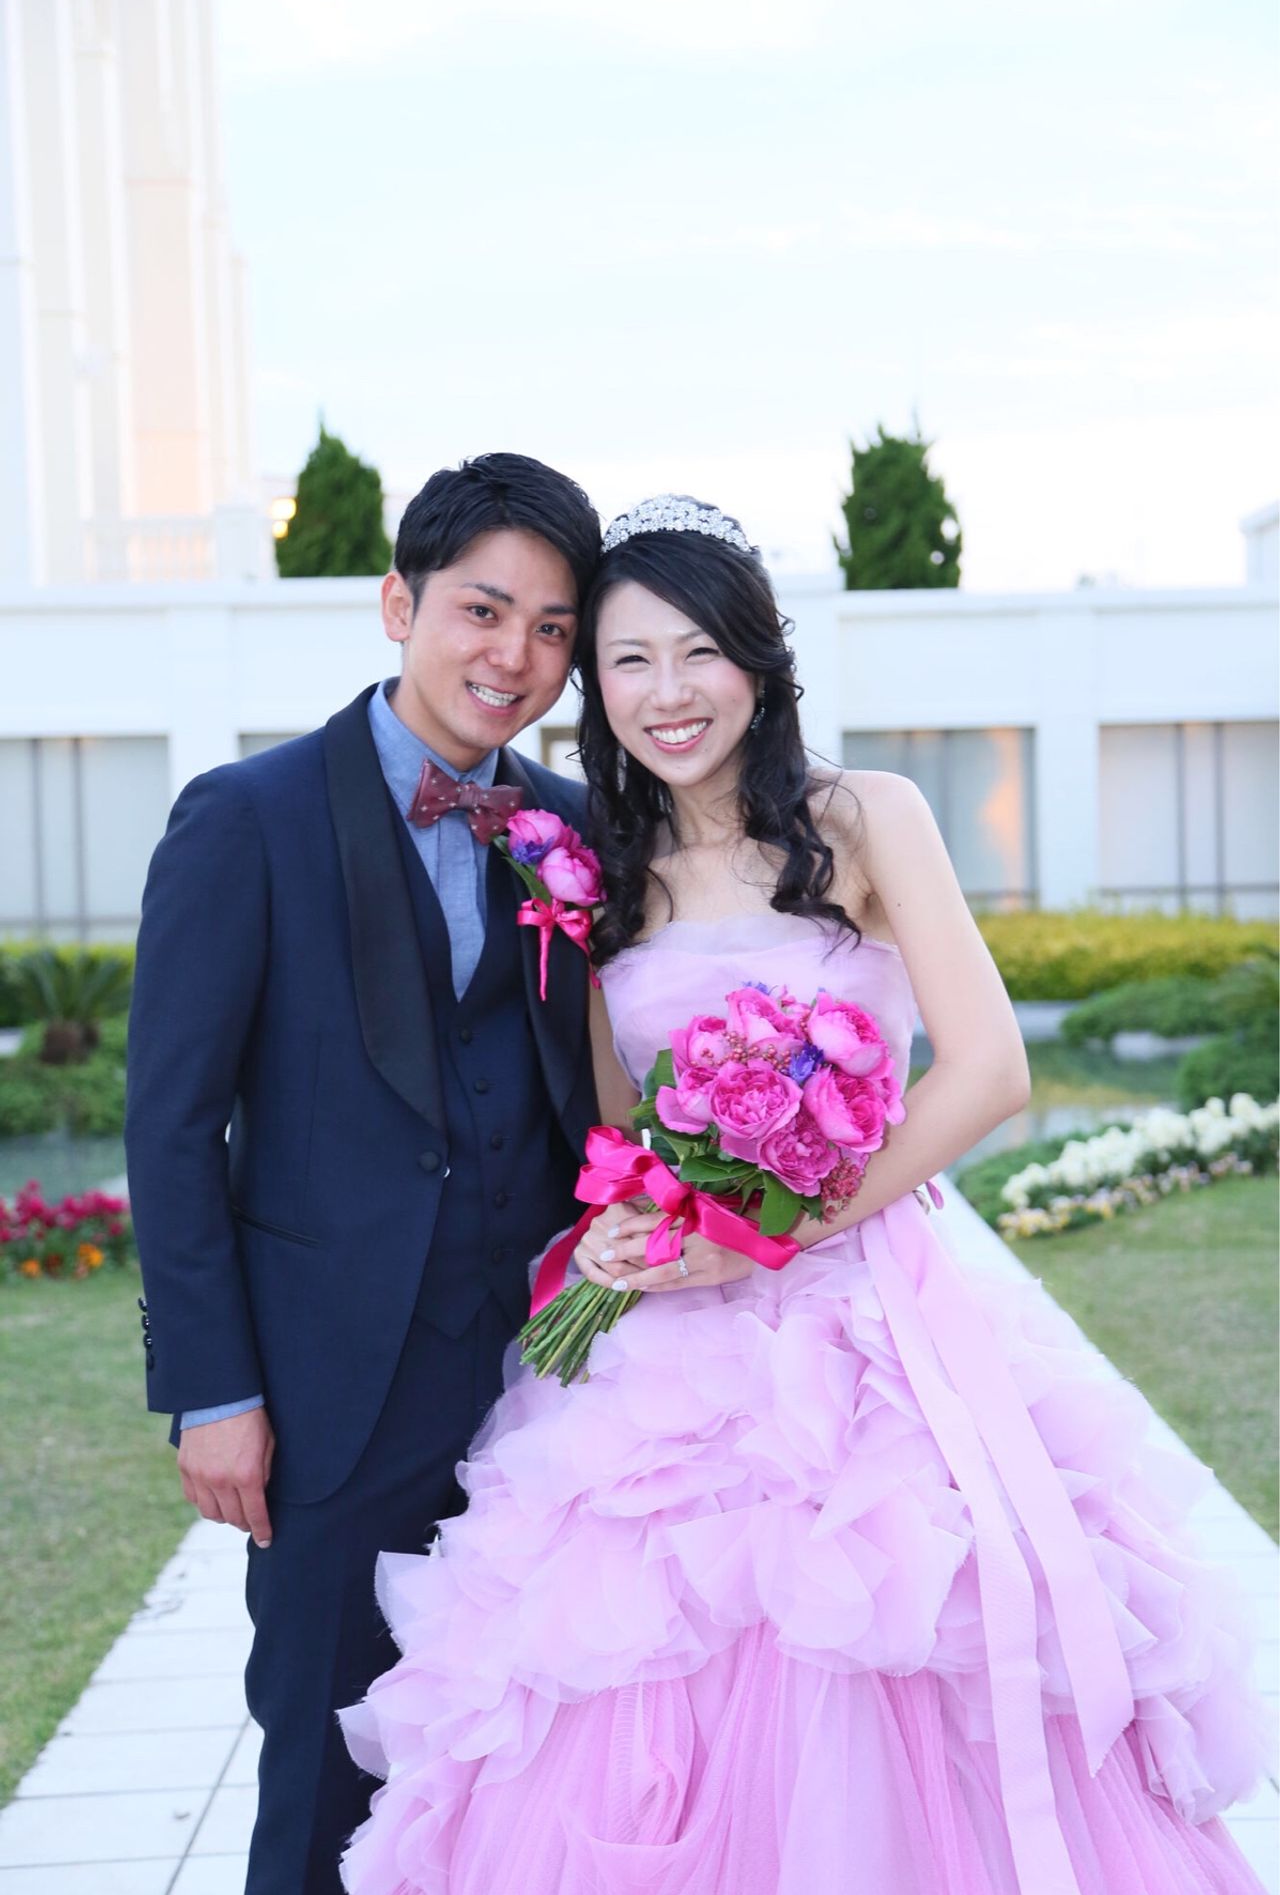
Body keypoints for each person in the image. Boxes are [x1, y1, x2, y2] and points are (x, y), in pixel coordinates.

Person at [336, 493, 1269, 1895]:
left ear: (760, 661)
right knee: (639, 1663)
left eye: (699, 652)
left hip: (869, 1314)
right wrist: (644, 1216)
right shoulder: (600, 874)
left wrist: (772, 1232)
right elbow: (618, 1126)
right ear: (596, 687)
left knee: (889, 1630)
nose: (668, 693)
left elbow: (990, 1070)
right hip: (671, 1349)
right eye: (630, 660)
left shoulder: (866, 818)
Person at [125, 453, 602, 1894]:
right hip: (330, 1403)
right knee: (326, 1784)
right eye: (482, 611)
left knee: (521, 1778)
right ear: (400, 604)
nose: (513, 658)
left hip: (544, 1393)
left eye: (552, 629)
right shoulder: (247, 818)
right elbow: (171, 1128)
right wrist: (214, 1392)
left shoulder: (572, 827)